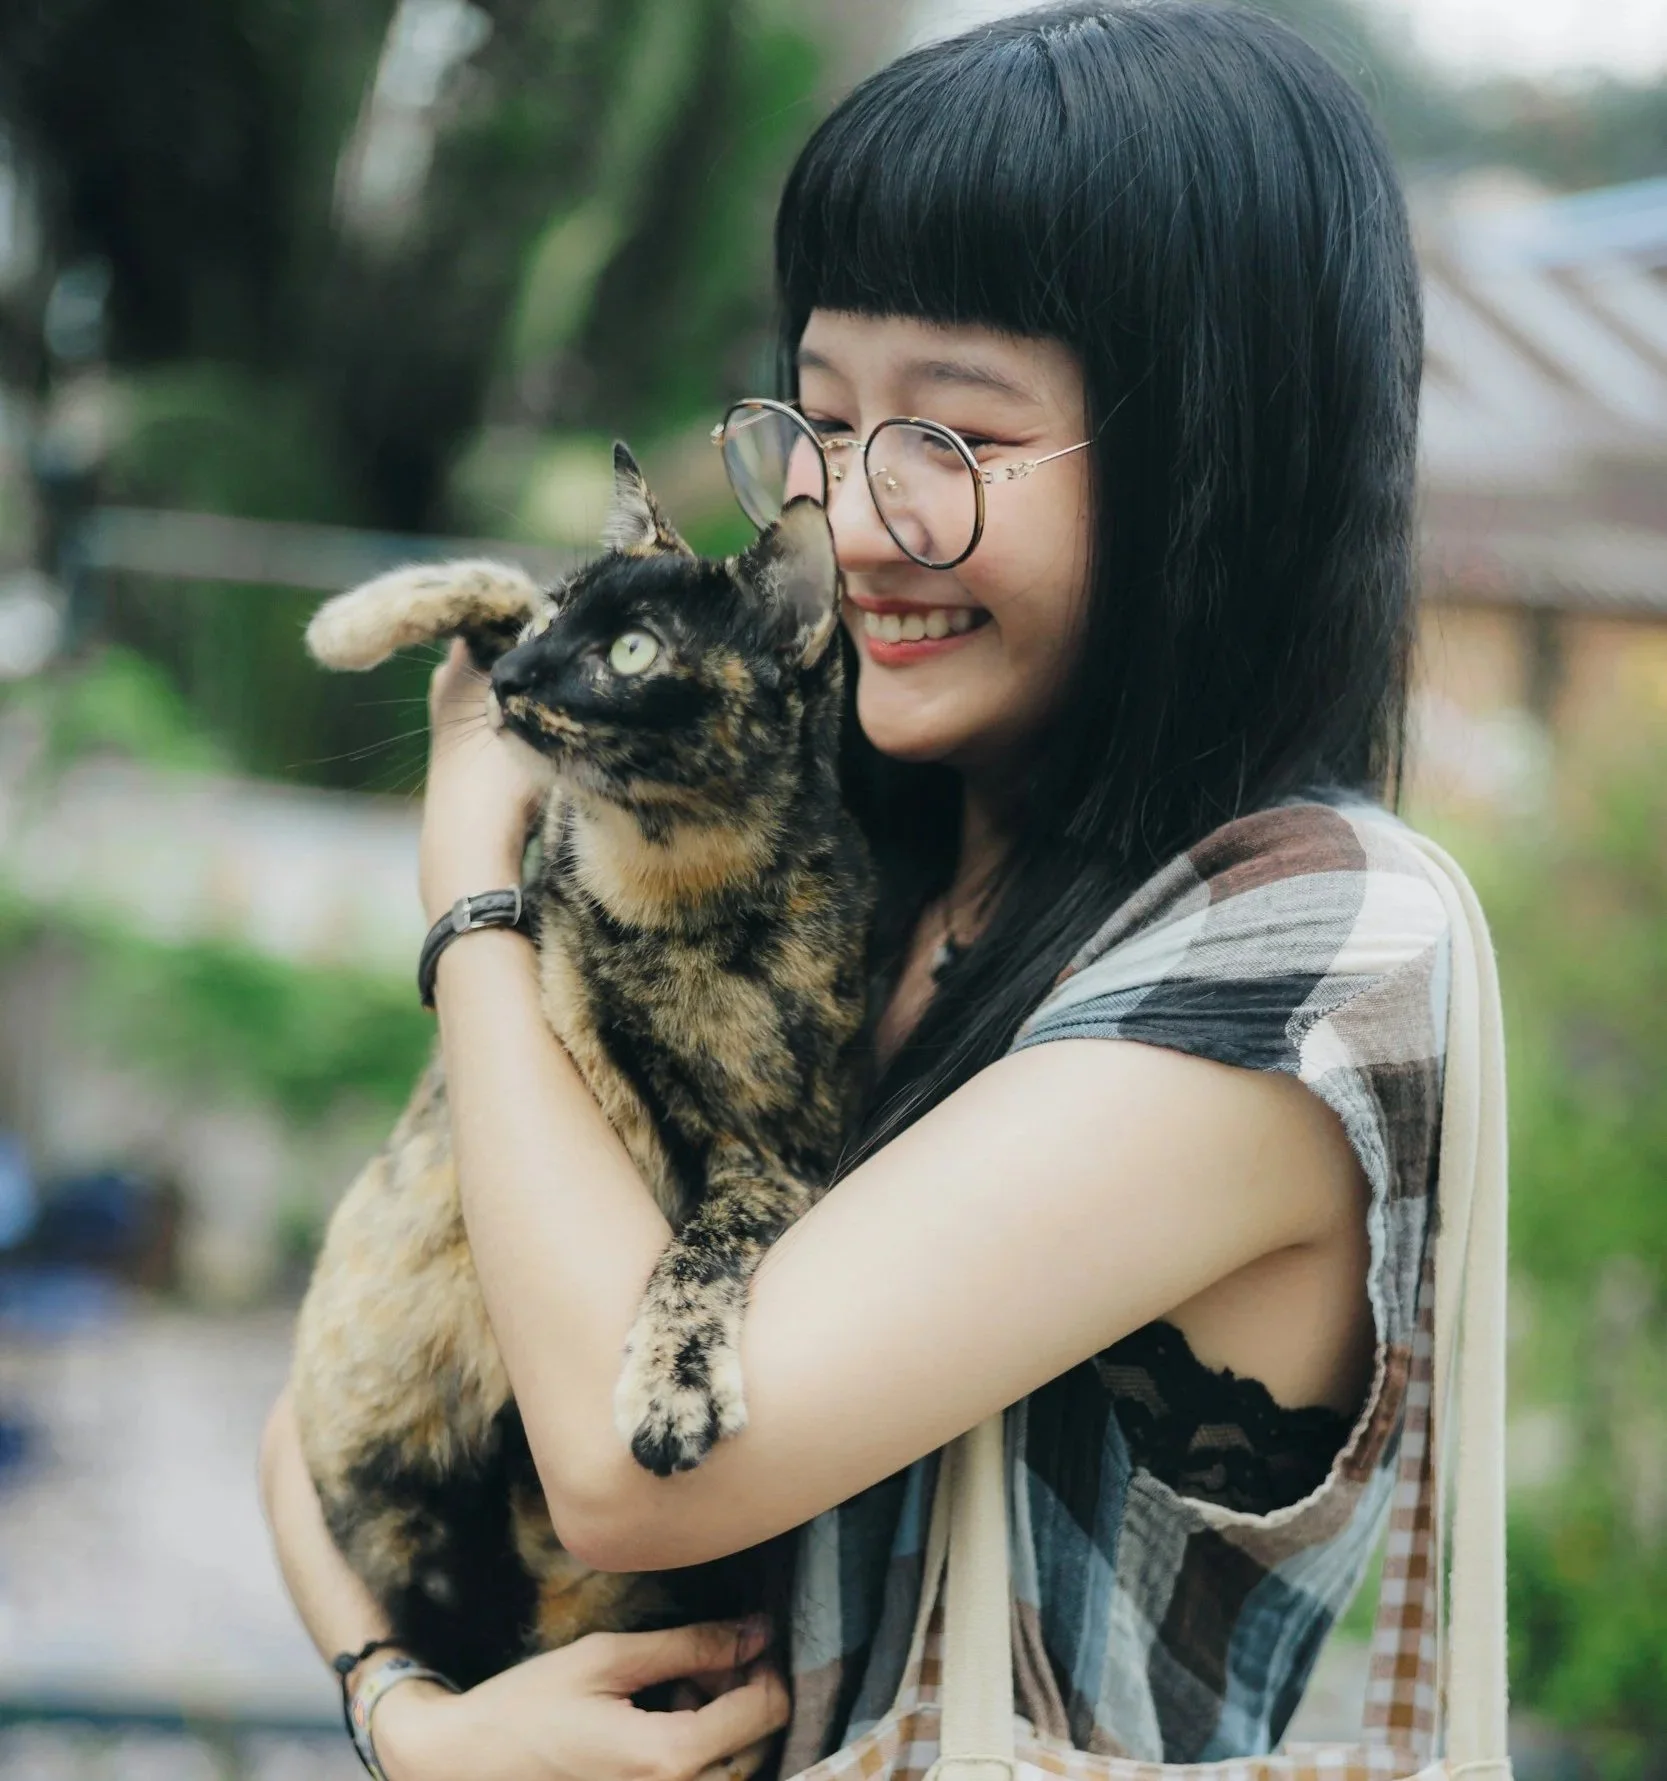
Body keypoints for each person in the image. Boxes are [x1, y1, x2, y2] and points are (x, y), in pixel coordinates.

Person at [260, 3, 1450, 1776]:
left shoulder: (1315, 946)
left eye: (950, 440)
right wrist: (406, 1716)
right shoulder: (846, 877)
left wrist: (472, 893)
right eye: (818, 421)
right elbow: (330, 1389)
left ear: (1214, 461)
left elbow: (627, 1463)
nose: (849, 518)